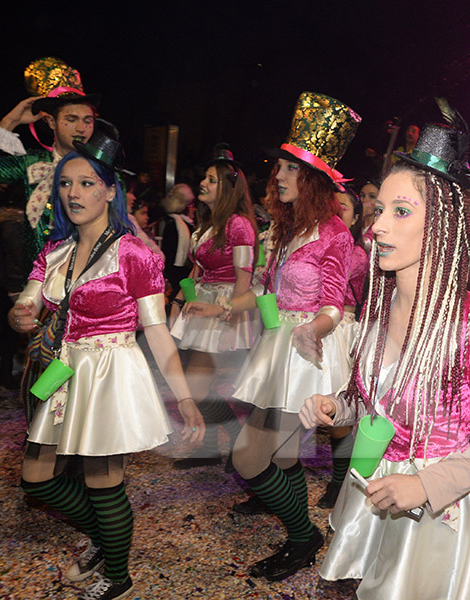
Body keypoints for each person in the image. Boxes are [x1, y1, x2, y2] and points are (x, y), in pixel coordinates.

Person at [300, 107, 470, 600]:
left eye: (400, 211)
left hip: (433, 506)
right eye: (378, 209)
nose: (376, 226)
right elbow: (373, 398)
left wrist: (425, 485)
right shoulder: (378, 309)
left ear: (442, 225)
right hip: (372, 485)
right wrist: (336, 407)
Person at [7, 132, 204, 600]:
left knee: (102, 479)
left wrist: (186, 398)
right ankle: (105, 535)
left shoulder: (132, 253)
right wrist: (20, 316)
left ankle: (117, 575)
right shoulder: (52, 254)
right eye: (66, 183)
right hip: (62, 371)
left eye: (87, 183)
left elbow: (157, 331)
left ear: (111, 191)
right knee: (36, 477)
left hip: (110, 371)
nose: (73, 193)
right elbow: (26, 309)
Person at [186, 92, 360, 581]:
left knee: (248, 453)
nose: (277, 176)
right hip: (277, 347)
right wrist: (219, 305)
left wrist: (313, 330)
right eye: (279, 167)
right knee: (280, 456)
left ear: (312, 179)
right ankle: (297, 522)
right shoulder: (283, 230)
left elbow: (333, 304)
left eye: (289, 169)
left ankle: (303, 536)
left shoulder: (333, 232)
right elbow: (266, 295)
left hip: (309, 351)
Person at [169, 145, 259, 470]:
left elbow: (244, 279)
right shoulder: (207, 224)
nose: (203, 184)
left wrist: (229, 320)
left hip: (223, 308)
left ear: (227, 188)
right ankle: (210, 450)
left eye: (211, 180)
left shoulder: (239, 226)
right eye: (204, 178)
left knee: (199, 387)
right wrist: (181, 302)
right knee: (199, 387)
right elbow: (196, 270)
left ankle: (237, 443)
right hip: (203, 305)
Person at [0, 58, 100, 261]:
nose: (81, 128)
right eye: (71, 120)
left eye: (88, 121)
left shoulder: (102, 168)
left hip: (90, 282)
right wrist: (9, 122)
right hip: (39, 283)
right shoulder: (34, 163)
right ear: (51, 122)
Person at [316, 187, 369, 508]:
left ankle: (339, 481)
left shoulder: (358, 253)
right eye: (332, 208)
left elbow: (329, 281)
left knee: (340, 414)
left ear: (356, 217)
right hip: (317, 326)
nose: (337, 214)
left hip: (344, 331)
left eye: (344, 209)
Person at [156, 183, 196, 304]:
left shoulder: (180, 223)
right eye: (190, 204)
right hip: (173, 274)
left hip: (180, 274)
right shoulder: (173, 224)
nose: (193, 208)